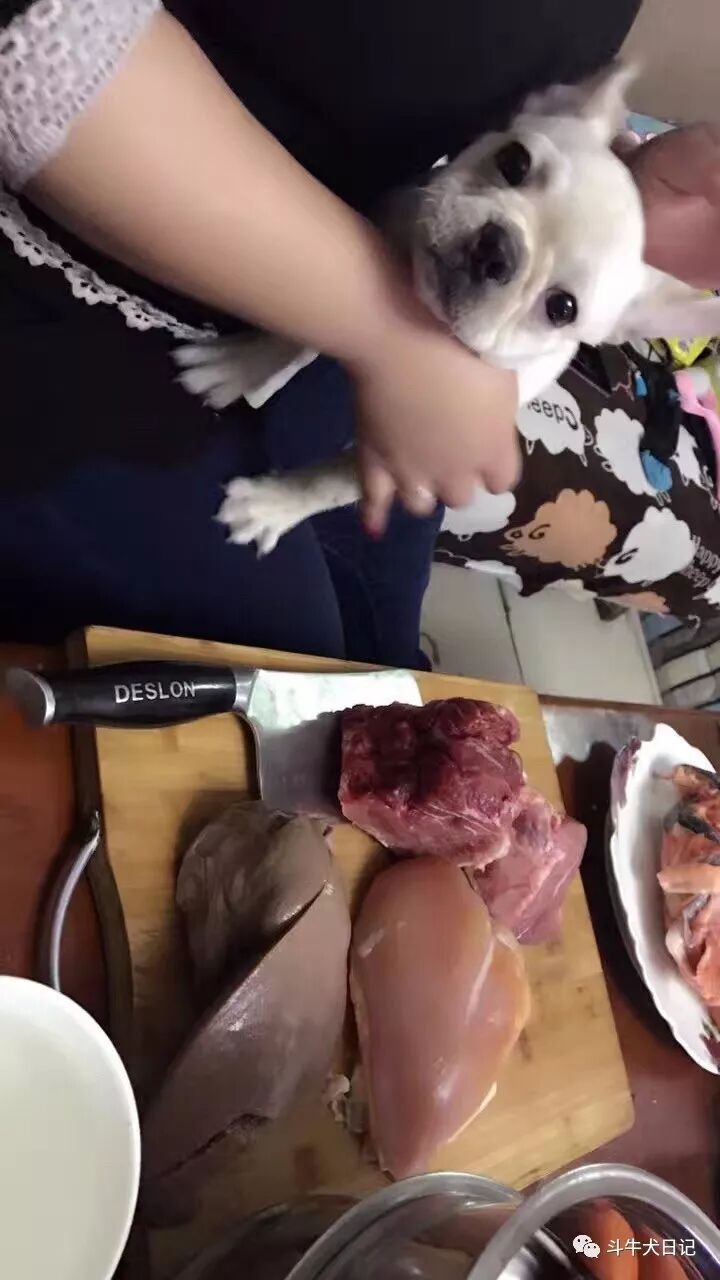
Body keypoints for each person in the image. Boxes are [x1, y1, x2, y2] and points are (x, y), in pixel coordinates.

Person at [0, 0, 705, 664]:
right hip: (73, 274)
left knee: (381, 647)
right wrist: (380, 338)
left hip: (356, 318)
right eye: (516, 169)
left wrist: (633, 177)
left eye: (561, 306)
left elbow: (542, 121)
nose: (496, 257)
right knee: (302, 658)